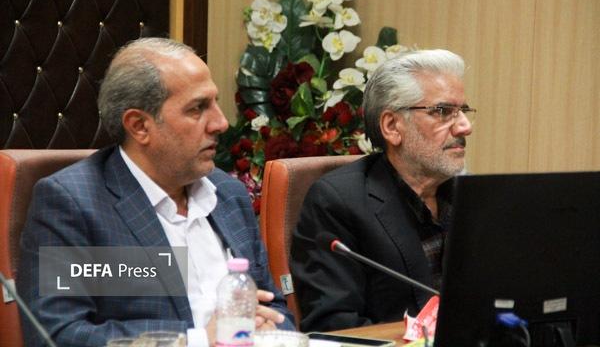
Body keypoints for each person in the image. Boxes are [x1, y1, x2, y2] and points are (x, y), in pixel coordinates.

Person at [17, 38, 295, 347]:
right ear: (139, 126)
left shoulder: (228, 194)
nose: (221, 123)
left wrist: (270, 328)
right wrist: (197, 340)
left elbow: (275, 308)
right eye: (198, 108)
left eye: (215, 103)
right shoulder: (75, 204)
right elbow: (58, 335)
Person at [290, 49, 475, 331]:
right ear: (392, 126)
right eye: (443, 112)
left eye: (463, 111)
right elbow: (335, 325)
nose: (464, 126)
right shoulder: (338, 202)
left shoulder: (471, 195)